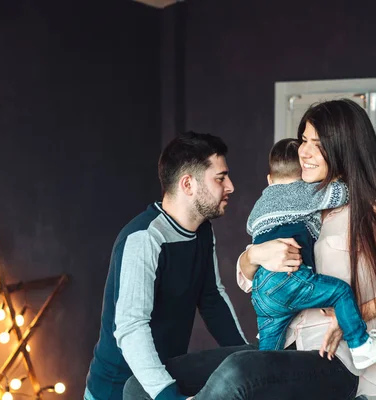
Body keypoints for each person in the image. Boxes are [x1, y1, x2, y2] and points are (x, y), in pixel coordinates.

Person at [187, 99, 376, 399]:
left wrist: (353, 316)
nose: (304, 152)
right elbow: (247, 279)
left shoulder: (368, 213)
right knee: (155, 380)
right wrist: (254, 255)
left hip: (333, 359)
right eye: (303, 140)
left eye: (317, 144)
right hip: (283, 346)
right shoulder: (292, 200)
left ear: (343, 150)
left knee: (236, 374)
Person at [84, 132, 252, 400]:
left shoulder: (202, 232)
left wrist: (250, 360)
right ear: (188, 184)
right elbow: (131, 327)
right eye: (220, 178)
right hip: (117, 391)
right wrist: (168, 396)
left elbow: (211, 299)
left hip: (163, 380)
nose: (230, 186)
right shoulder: (144, 238)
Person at [247, 138, 376, 370]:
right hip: (289, 280)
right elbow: (344, 193)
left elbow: (252, 233)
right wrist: (336, 177)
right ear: (302, 176)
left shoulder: (259, 204)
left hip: (261, 291)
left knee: (265, 364)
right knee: (340, 292)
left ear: (269, 179)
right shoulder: (303, 192)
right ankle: (361, 346)